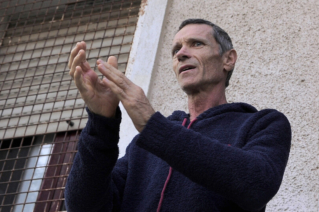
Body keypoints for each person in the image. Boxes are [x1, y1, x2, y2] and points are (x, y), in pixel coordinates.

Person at [64, 19, 291, 212]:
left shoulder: (263, 124)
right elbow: (84, 206)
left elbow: (257, 185)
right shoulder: (142, 146)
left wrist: (153, 126)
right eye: (176, 50)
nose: (181, 54)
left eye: (196, 44)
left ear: (228, 59)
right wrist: (101, 121)